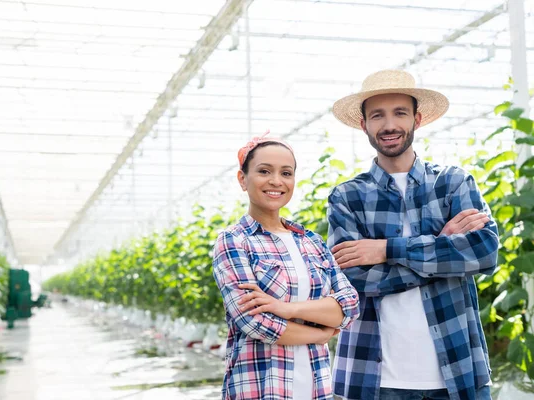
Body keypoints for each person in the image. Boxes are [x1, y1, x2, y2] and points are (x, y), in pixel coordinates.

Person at [327, 69, 499, 400]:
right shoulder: (347, 197)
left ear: (417, 119)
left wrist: (387, 250)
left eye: (399, 113)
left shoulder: (454, 184)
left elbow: (483, 253)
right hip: (373, 379)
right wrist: (444, 249)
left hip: (459, 371)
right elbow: (352, 278)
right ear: (364, 125)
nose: (389, 125)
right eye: (377, 115)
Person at [212, 132, 360, 400]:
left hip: (316, 389)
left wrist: (284, 309)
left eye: (286, 173)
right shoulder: (234, 241)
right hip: (260, 389)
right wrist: (319, 334)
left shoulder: (311, 241)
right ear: (242, 179)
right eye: (264, 171)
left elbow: (349, 305)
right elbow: (255, 321)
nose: (276, 181)